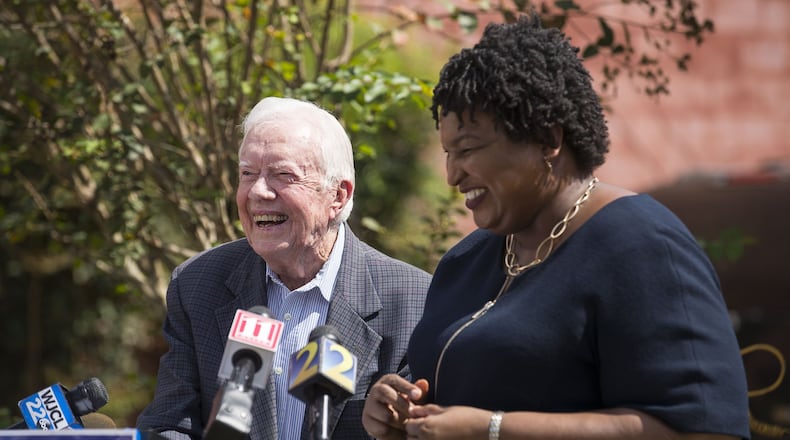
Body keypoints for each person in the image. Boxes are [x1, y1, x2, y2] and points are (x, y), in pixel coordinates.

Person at [361, 14, 751, 440]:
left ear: (548, 138)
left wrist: (493, 429)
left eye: (468, 150)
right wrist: (399, 410)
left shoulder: (644, 247)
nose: (453, 175)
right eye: (448, 153)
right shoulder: (465, 262)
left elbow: (704, 429)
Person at [136, 96, 431, 440]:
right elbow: (170, 425)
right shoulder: (198, 284)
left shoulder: (413, 300)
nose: (258, 192)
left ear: (338, 196)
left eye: (282, 175)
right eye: (248, 174)